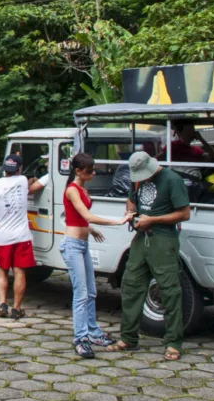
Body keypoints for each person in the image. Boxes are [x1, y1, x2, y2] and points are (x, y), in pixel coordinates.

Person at [108, 151, 191, 361]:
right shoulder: (137, 181)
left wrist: (153, 220)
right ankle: (128, 337)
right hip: (140, 238)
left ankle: (173, 342)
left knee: (169, 291)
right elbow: (130, 200)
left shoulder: (172, 180)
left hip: (163, 240)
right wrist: (131, 212)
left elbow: (184, 213)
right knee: (131, 285)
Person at [61, 153, 133, 358]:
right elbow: (86, 215)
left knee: (91, 292)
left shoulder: (83, 187)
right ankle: (80, 338)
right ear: (78, 171)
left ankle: (93, 333)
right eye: (89, 170)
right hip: (72, 245)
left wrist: (90, 230)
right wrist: (117, 222)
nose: (93, 173)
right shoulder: (72, 190)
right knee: (81, 293)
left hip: (83, 244)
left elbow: (76, 217)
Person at [0, 154, 46, 320]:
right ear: (19, 169)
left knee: (2, 271)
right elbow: (34, 183)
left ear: (3, 168)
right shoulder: (22, 180)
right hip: (21, 237)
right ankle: (17, 308)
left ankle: (2, 303)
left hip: (2, 237)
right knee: (20, 272)